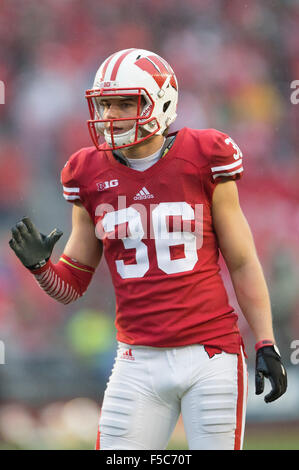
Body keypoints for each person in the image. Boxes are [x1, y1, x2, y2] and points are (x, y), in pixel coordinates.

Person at [9, 48, 287, 450]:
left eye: (126, 102)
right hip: (136, 359)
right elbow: (70, 287)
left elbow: (242, 261)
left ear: (162, 101)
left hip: (210, 355)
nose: (112, 115)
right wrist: (41, 269)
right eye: (106, 104)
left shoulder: (205, 156)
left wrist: (265, 341)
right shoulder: (86, 172)